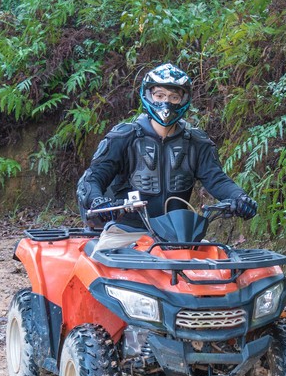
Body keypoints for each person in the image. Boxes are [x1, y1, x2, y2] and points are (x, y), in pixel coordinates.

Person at [76, 63, 257, 251]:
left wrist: (240, 198)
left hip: (179, 236)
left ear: (183, 100)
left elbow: (217, 179)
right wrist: (97, 201)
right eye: (160, 95)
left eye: (174, 97)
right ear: (148, 96)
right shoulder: (123, 138)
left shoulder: (196, 142)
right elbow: (92, 178)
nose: (166, 102)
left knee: (220, 262)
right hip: (127, 232)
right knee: (103, 263)